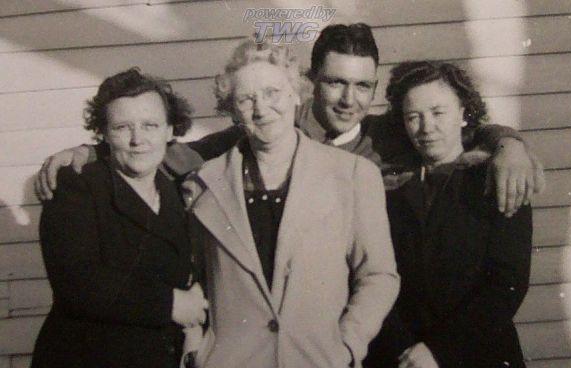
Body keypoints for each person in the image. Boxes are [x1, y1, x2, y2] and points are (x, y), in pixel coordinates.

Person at [34, 24, 544, 218]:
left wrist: (511, 145)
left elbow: (466, 131)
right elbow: (166, 156)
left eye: (363, 86)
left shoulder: (392, 132)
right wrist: (92, 152)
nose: (349, 99)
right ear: (311, 81)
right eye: (335, 82)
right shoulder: (271, 125)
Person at [183, 40, 399, 368]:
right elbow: (192, 279)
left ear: (297, 94)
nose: (261, 108)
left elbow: (379, 275)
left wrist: (349, 343)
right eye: (246, 99)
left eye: (273, 93)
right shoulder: (203, 185)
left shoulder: (353, 175)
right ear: (232, 109)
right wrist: (199, 354)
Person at [24, 68, 207, 368]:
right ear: (103, 133)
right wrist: (170, 304)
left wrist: (193, 324)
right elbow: (76, 280)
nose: (138, 140)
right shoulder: (77, 185)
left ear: (170, 130)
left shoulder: (178, 191)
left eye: (150, 125)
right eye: (123, 127)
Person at [364, 61, 532, 368]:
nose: (427, 127)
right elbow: (372, 274)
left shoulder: (496, 179)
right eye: (413, 117)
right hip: (403, 367)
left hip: (480, 367)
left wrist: (438, 350)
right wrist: (406, 351)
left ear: (464, 113)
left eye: (438, 113)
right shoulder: (386, 188)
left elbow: (506, 284)